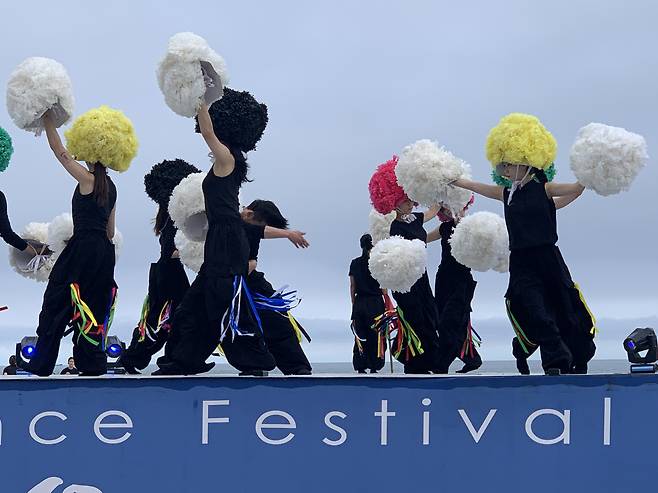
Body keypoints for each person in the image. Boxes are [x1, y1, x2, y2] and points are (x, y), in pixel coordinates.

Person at [452, 113, 595, 374]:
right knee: (532, 309)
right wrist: (458, 180)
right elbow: (479, 187)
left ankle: (578, 356)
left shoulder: (546, 189)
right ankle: (555, 359)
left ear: (526, 161)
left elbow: (575, 188)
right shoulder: (507, 194)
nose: (503, 169)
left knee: (564, 307)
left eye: (508, 164)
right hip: (521, 261)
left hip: (548, 258)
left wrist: (591, 172)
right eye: (501, 165)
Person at [156, 88, 274, 375]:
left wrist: (201, 100)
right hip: (221, 237)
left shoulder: (227, 158)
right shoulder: (225, 162)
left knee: (221, 298)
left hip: (227, 240)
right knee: (195, 303)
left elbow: (208, 132)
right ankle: (185, 359)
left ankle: (254, 360)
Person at [17, 106, 137, 376]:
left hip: (82, 249)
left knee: (57, 300)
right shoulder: (112, 187)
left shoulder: (87, 179)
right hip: (104, 254)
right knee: (93, 307)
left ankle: (42, 363)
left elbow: (60, 153)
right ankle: (91, 364)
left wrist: (48, 120)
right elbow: (109, 232)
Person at [120, 159, 199, 374]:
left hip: (165, 272)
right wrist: (195, 252)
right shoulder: (173, 220)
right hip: (169, 272)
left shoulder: (166, 218)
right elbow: (170, 252)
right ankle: (158, 359)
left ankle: (144, 358)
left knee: (165, 318)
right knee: (168, 319)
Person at [241, 200, 312, 375]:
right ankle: (253, 365)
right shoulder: (229, 220)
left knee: (276, 316)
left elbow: (252, 259)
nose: (261, 230)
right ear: (249, 214)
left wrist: (249, 265)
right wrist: (288, 234)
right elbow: (256, 230)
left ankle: (296, 366)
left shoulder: (252, 231)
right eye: (262, 224)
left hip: (248, 280)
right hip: (222, 280)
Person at [432, 201, 482, 374]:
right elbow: (421, 238)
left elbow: (481, 245)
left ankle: (441, 363)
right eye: (445, 206)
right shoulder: (443, 228)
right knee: (444, 320)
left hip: (462, 279)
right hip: (443, 278)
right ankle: (471, 358)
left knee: (452, 320)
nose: (450, 209)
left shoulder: (469, 226)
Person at [349, 234, 386, 374]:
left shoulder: (355, 263)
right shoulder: (378, 262)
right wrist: (386, 300)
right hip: (376, 302)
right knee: (376, 335)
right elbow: (383, 286)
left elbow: (352, 286)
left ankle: (360, 364)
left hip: (360, 301)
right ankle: (375, 365)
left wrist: (354, 303)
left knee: (360, 334)